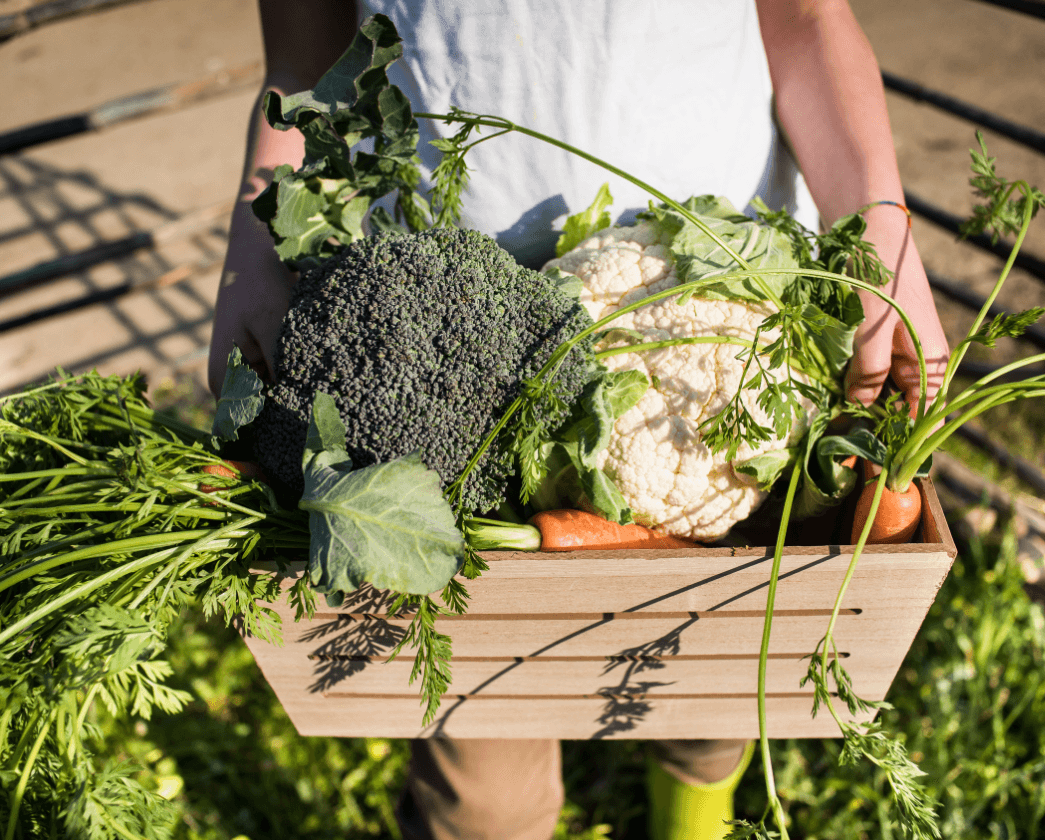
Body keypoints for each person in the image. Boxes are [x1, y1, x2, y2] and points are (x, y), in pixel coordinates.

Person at [208, 2, 951, 838]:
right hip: (447, 358)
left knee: (714, 697)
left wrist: (881, 223)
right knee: (482, 802)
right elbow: (304, 51)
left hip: (736, 305)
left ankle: (695, 805)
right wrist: (256, 235)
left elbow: (808, 18)